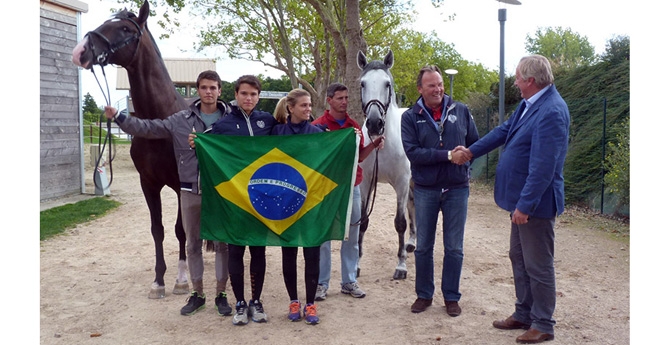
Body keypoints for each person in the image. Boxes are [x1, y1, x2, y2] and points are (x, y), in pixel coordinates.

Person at [456, 55, 569, 344]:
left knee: (539, 264)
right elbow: (503, 132)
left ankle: (543, 323)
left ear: (530, 81)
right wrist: (471, 151)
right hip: (521, 202)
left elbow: (544, 166)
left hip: (534, 206)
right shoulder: (530, 104)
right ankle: (524, 313)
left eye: (518, 78)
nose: (516, 83)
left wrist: (526, 205)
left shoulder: (552, 111)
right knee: (519, 257)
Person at [103, 70, 232, 317]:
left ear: (219, 90)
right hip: (190, 188)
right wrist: (119, 117)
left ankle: (221, 293)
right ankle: (198, 293)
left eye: (213, 87)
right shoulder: (180, 119)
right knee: (193, 243)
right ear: (198, 90)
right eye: (204, 87)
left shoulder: (229, 121)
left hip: (220, 190)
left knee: (222, 244)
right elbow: (148, 128)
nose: (208, 92)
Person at [190, 75, 277, 326]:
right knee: (236, 251)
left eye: (253, 94)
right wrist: (196, 142)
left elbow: (292, 137)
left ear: (258, 97)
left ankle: (256, 301)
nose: (248, 98)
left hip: (262, 199)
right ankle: (239, 302)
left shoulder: (268, 121)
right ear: (235, 96)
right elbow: (205, 142)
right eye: (244, 94)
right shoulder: (224, 125)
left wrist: (321, 133)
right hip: (235, 201)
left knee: (259, 251)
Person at [400, 65, 479, 317]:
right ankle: (424, 295)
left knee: (454, 247)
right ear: (420, 88)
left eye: (440, 84)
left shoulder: (461, 110)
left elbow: (475, 144)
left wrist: (464, 164)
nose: (438, 89)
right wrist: (448, 156)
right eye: (431, 85)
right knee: (423, 246)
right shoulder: (411, 116)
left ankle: (451, 297)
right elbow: (413, 153)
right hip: (425, 189)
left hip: (457, 189)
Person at [311, 82, 384, 301]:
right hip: (326, 190)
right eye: (340, 98)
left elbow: (359, 157)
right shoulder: (317, 127)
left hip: (352, 188)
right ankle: (322, 283)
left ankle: (349, 280)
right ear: (329, 100)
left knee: (352, 237)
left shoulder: (354, 126)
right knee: (323, 237)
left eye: (346, 98)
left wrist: (374, 144)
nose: (344, 102)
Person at [272, 89, 322, 325]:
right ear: (290, 108)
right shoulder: (276, 132)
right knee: (289, 252)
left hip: (310, 203)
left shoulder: (317, 133)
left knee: (312, 253)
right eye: (303, 105)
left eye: (310, 105)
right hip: (284, 202)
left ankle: (310, 303)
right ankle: (294, 300)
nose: (308, 109)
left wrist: (351, 138)